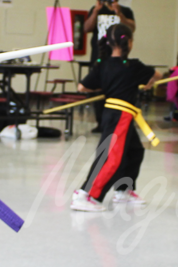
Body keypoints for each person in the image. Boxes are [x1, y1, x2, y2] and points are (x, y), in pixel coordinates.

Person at [70, 23, 163, 212]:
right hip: (120, 115)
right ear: (128, 42)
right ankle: (86, 194)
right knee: (111, 158)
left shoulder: (102, 65)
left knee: (134, 151)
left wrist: (105, 86)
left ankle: (123, 190)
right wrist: (148, 84)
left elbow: (82, 87)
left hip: (113, 113)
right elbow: (158, 75)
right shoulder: (134, 66)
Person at [85, 0, 135, 132]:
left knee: (116, 87)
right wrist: (95, 11)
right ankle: (100, 122)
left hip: (118, 54)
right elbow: (87, 28)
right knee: (98, 88)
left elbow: (132, 28)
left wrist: (119, 13)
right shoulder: (97, 10)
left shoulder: (125, 11)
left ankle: (115, 122)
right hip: (99, 53)